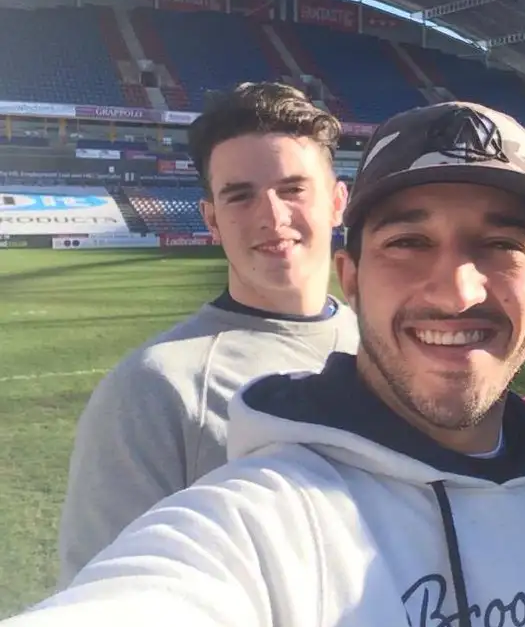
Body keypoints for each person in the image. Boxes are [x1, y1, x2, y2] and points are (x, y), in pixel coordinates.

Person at [8, 102, 525, 627]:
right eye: (409, 243)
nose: (456, 292)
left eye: (500, 245)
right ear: (355, 277)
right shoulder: (260, 519)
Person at [56, 82, 359, 586]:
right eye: (239, 196)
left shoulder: (388, 346)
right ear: (212, 219)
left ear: (337, 202)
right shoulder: (156, 390)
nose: (272, 216)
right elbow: (105, 597)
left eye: (293, 189)